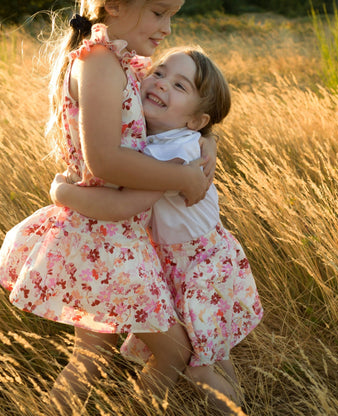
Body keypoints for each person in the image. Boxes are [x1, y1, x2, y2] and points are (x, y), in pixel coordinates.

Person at [0, 1, 217, 413]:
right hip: (110, 236)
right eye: (158, 12)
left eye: (172, 14)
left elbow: (173, 117)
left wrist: (207, 140)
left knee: (91, 358)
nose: (167, 28)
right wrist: (184, 178)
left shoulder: (118, 60)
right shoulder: (99, 62)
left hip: (107, 233)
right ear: (114, 6)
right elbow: (104, 160)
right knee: (175, 352)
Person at [50, 46, 264, 412]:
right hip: (194, 260)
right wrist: (206, 138)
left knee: (199, 366)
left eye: (180, 86)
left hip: (198, 267)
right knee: (209, 355)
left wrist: (61, 192)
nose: (162, 84)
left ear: (196, 121)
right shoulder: (165, 137)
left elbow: (122, 204)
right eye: (160, 73)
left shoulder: (173, 155)